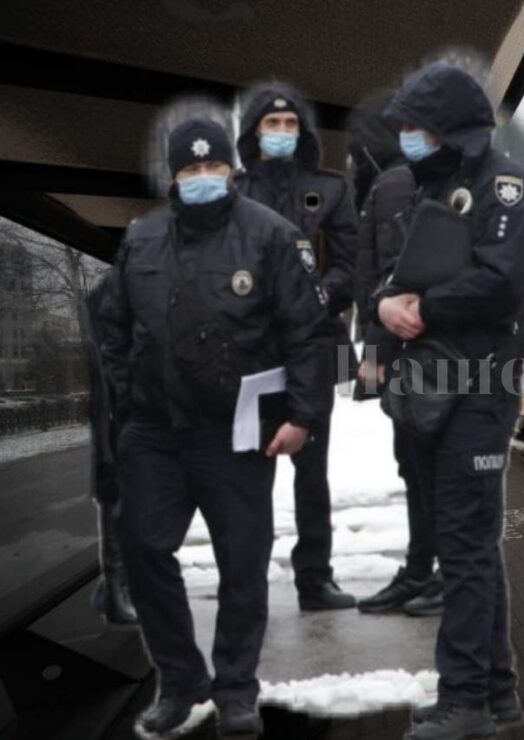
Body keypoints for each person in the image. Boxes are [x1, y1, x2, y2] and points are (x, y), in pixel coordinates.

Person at [97, 116, 333, 738]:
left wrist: (302, 416)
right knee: (144, 549)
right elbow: (114, 330)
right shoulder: (141, 241)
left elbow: (308, 334)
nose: (202, 178)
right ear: (173, 176)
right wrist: (130, 396)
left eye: (213, 167)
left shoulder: (271, 236)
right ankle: (180, 681)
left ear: (232, 170)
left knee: (242, 564)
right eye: (189, 169)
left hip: (235, 434)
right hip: (155, 433)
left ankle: (235, 688)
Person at [371, 62, 524, 740]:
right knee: (472, 544)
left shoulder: (503, 187)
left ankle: (464, 702)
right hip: (443, 384)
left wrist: (421, 307)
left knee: (466, 548)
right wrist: (387, 305)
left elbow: (503, 281)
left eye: (416, 126)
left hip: (479, 385)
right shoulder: (437, 189)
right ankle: (496, 694)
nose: (408, 138)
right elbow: (395, 279)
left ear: (449, 126)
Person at [234, 83, 359, 611]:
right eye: (271, 124)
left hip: (312, 349)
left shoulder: (330, 189)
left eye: (290, 125)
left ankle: (315, 579)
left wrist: (321, 294)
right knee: (248, 477)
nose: (282, 133)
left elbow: (352, 262)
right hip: (251, 358)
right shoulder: (230, 191)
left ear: (302, 133)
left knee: (312, 476)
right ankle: (246, 585)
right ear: (253, 132)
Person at [347, 94, 443, 618]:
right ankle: (421, 572)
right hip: (414, 355)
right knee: (417, 467)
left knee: (426, 468)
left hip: (423, 355)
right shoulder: (388, 187)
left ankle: (433, 574)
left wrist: (376, 352)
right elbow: (374, 280)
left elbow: (390, 277)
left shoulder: (396, 185)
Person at [83, 273, 138, 627]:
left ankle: (117, 589)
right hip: (113, 425)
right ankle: (116, 595)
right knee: (118, 507)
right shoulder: (107, 298)